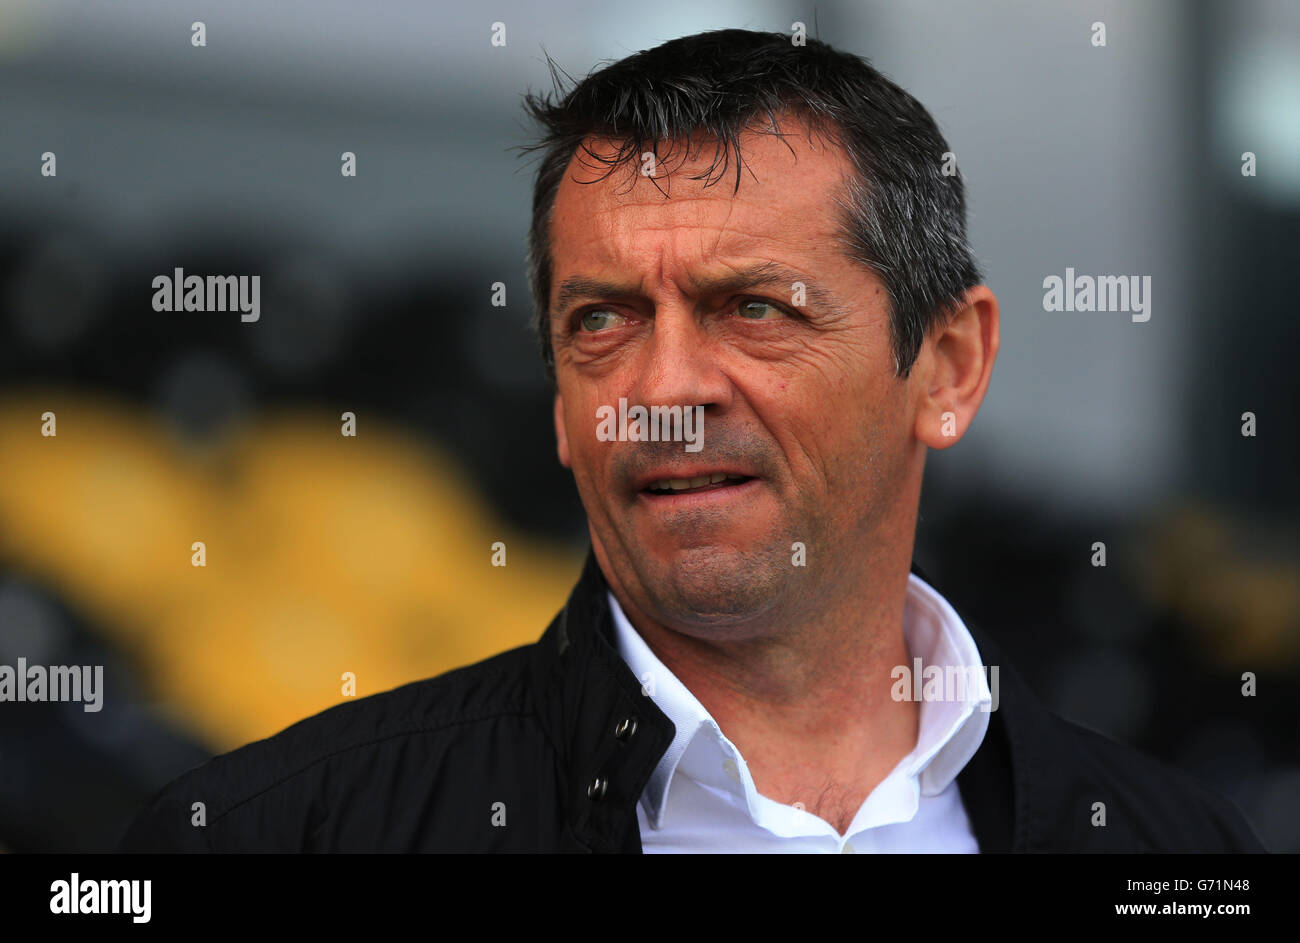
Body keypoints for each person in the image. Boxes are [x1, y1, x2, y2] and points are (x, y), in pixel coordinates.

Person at [118, 28, 1262, 853]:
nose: (664, 388)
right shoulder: (282, 833)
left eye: (754, 308)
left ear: (948, 366)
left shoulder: (1177, 854)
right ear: (562, 407)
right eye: (602, 321)